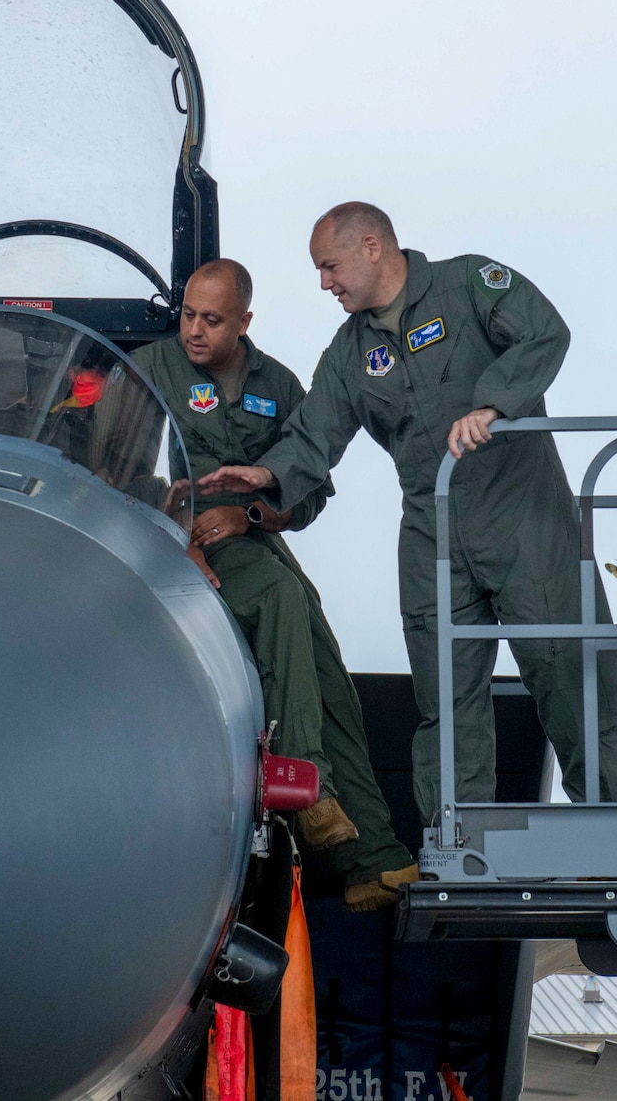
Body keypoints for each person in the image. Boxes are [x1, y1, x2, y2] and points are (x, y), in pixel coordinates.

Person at [199, 204, 617, 825]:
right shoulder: (350, 352)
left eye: (330, 266)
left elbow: (545, 332)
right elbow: (316, 431)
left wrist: (493, 404)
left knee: (570, 681)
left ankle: (611, 838)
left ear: (372, 247)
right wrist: (266, 476)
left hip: (526, 520)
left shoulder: (470, 286)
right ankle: (459, 847)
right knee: (447, 705)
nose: (325, 283)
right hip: (433, 536)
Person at [133, 258, 418, 911]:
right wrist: (175, 517)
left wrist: (255, 512)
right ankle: (303, 780)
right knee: (283, 600)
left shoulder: (279, 385)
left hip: (253, 538)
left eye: (211, 320)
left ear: (244, 322)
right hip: (181, 537)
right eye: (187, 316)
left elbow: (312, 486)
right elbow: (112, 467)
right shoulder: (149, 371)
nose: (194, 333)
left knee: (327, 672)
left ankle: (371, 857)